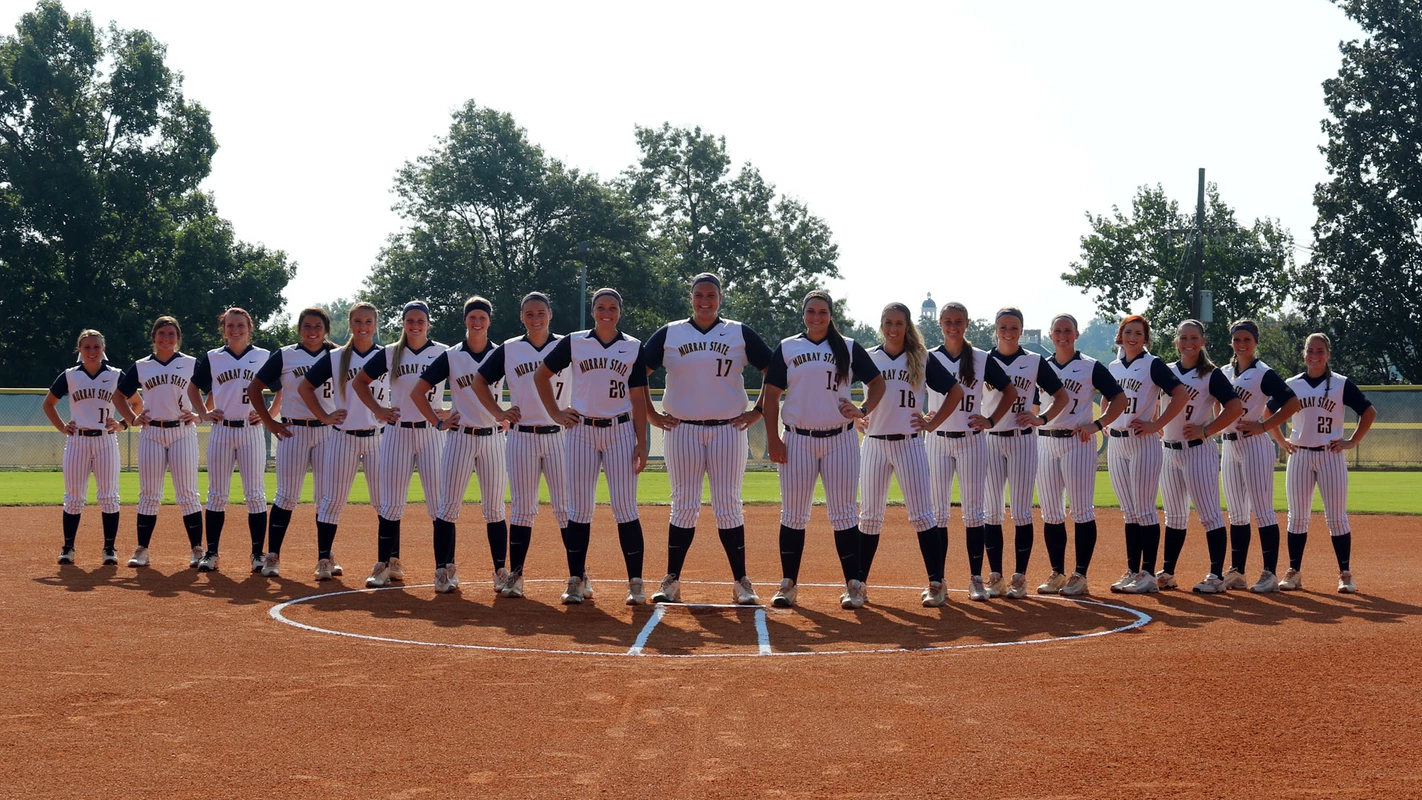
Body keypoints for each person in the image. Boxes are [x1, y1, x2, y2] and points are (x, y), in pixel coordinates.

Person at [642, 273, 773, 605]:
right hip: (682, 428)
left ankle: (741, 581)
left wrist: (758, 410)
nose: (705, 300)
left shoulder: (739, 332)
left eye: (711, 295)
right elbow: (636, 372)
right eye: (699, 294)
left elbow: (773, 369)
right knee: (684, 505)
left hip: (728, 428)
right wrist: (650, 413)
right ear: (691, 298)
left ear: (720, 298)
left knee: (728, 504)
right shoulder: (671, 333)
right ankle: (671, 580)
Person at [761, 290, 886, 609]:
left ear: (831, 315)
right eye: (811, 311)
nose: (816, 317)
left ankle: (854, 585)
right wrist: (773, 439)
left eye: (822, 312)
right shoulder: (788, 347)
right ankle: (788, 584)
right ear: (803, 313)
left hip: (840, 439)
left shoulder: (848, 346)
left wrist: (863, 409)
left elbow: (878, 383)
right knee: (793, 514)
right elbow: (771, 395)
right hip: (798, 439)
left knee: (844, 514)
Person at [534, 288, 651, 606]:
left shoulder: (632, 346)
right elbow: (541, 375)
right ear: (593, 310)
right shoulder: (575, 342)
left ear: (620, 311)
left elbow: (638, 397)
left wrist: (642, 441)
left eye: (612, 307)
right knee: (579, 510)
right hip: (581, 430)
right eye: (601, 307)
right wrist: (556, 413)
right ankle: (576, 580)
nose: (606, 312)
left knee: (625, 508)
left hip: (620, 431)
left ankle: (635, 582)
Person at [856, 302, 963, 607]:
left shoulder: (920, 357)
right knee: (869, 517)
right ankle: (858, 585)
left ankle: (936, 583)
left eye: (899, 323)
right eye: (888, 322)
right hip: (874, 443)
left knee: (922, 515)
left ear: (907, 326)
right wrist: (855, 416)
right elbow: (836, 387)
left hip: (909, 443)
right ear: (881, 325)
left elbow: (955, 391)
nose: (893, 329)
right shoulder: (868, 356)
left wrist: (932, 423)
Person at [470, 292, 569, 600]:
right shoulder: (510, 348)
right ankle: (516, 575)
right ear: (521, 317)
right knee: (523, 510)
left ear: (550, 314)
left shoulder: (567, 345)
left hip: (561, 435)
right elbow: (478, 381)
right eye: (529, 313)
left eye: (541, 312)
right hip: (522, 435)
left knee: (566, 509)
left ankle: (578, 576)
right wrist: (498, 412)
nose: (535, 318)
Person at [411, 296, 508, 595]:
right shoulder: (452, 356)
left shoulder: (502, 353)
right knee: (448, 507)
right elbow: (418, 392)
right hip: (460, 437)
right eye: (472, 317)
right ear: (465, 320)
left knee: (495, 509)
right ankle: (443, 570)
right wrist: (437, 422)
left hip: (493, 437)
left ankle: (500, 571)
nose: (477, 322)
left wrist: (508, 415)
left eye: (482, 317)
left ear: (489, 320)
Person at [1268, 333, 1376, 593]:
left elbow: (1368, 411)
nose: (1314, 356)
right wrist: (1280, 439)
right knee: (1297, 517)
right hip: (1300, 454)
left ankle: (1345, 574)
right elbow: (1268, 410)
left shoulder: (1341, 383)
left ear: (1328, 354)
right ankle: (1294, 572)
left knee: (1337, 518)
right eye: (1310, 351)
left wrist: (1352, 441)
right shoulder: (1292, 384)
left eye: (1319, 351)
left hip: (1330, 454)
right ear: (1304, 354)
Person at [925, 303, 1017, 601]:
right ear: (940, 323)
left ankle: (976, 579)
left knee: (974, 513)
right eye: (948, 321)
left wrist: (990, 420)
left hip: (971, 440)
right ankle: (937, 581)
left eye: (958, 321)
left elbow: (1010, 391)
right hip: (937, 439)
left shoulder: (980, 358)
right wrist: (921, 414)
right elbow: (907, 390)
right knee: (938, 513)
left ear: (966, 324)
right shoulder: (928, 356)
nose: (953, 326)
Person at [352, 301, 447, 588]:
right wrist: (378, 410)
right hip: (397, 432)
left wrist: (451, 411)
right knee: (391, 504)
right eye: (410, 320)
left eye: (420, 320)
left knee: (439, 506)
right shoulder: (390, 353)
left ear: (428, 323)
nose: (415, 325)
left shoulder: (444, 352)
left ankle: (443, 569)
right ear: (403, 322)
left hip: (432, 433)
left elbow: (468, 384)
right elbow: (359, 382)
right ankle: (384, 565)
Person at [1033, 313, 1127, 596]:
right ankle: (1057, 573)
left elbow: (1119, 399)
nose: (1063, 336)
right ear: (1050, 335)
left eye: (1068, 331)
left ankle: (1080, 575)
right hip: (1045, 442)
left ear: (1076, 335)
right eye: (1058, 331)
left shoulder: (1090, 366)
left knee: (1081, 510)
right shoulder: (1040, 366)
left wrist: (1098, 424)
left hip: (1077, 441)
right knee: (1051, 512)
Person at [980, 307, 1069, 599]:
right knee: (992, 512)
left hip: (1022, 440)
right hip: (990, 439)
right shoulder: (982, 360)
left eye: (1014, 327)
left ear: (1021, 330)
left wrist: (1042, 418)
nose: (1009, 332)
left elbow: (1061, 396)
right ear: (996, 329)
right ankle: (996, 576)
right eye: (1003, 327)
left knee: (1020, 511)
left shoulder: (1033, 361)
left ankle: (1019, 577)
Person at [299, 301, 385, 581]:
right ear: (350, 324)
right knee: (332, 501)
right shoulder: (336, 357)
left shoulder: (387, 355)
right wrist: (324, 416)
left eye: (368, 321)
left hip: (378, 438)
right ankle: (324, 559)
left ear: (375, 324)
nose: (363, 326)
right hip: (343, 437)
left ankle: (389, 561)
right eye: (357, 321)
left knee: (385, 503)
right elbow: (305, 387)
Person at [1155, 319, 1243, 593]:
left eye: (1194, 338)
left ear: (1203, 342)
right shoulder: (1167, 371)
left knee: (1210, 515)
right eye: (1183, 338)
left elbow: (1235, 407)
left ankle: (1216, 576)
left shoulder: (1211, 374)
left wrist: (1207, 430)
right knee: (1174, 516)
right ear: (1176, 341)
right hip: (1168, 450)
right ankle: (1168, 573)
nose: (1188, 343)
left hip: (1197, 451)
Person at [248, 307, 337, 578]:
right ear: (299, 329)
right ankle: (273, 555)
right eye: (307, 326)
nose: (312, 331)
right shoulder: (286, 355)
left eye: (318, 326)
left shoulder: (338, 354)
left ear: (326, 329)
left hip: (327, 433)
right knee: (286, 496)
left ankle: (325, 558)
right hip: (293, 431)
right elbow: (254, 388)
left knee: (326, 499)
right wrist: (269, 422)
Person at [1105, 315, 1188, 594]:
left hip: (1143, 442)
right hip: (1117, 443)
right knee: (1129, 512)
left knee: (1144, 510)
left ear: (1145, 338)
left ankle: (1149, 574)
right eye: (1128, 332)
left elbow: (1180, 394)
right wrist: (1106, 421)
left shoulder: (1152, 364)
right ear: (1120, 335)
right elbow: (1107, 398)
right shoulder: (1114, 366)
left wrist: (1156, 424)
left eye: (1138, 333)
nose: (1132, 337)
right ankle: (1133, 570)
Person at [113, 316, 203, 568]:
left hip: (182, 431)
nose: (166, 338)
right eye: (161, 333)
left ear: (178, 337)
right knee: (149, 494)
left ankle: (197, 549)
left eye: (171, 333)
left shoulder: (190, 363)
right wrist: (132, 419)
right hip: (152, 432)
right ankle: (142, 549)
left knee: (187, 493)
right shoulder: (142, 366)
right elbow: (119, 395)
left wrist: (201, 414)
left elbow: (215, 388)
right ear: (154, 336)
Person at [188, 308, 272, 573]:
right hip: (222, 430)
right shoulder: (214, 357)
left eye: (240, 325)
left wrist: (270, 413)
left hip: (250, 430)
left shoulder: (263, 356)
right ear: (223, 329)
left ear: (250, 327)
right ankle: (211, 553)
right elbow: (192, 388)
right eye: (230, 325)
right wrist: (203, 413)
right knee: (216, 495)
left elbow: (281, 388)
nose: (235, 330)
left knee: (255, 495)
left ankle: (257, 554)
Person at [1218, 319, 1299, 593]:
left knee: (1262, 511)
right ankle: (1237, 572)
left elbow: (1292, 402)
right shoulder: (1224, 371)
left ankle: (1269, 574)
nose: (1241, 344)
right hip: (1229, 445)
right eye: (1237, 339)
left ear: (1255, 342)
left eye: (1247, 340)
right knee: (1236, 513)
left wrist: (1263, 426)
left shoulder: (1263, 373)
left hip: (1254, 444)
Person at [44, 329, 124, 565]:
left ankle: (109, 549)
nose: (92, 351)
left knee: (109, 496)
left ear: (103, 349)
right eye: (87, 347)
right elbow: (48, 403)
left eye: (96, 347)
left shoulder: (116, 375)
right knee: (74, 497)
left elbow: (137, 403)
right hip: (78, 440)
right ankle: (68, 547)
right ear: (79, 349)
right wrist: (62, 427)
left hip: (105, 440)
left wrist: (122, 424)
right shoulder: (70, 375)